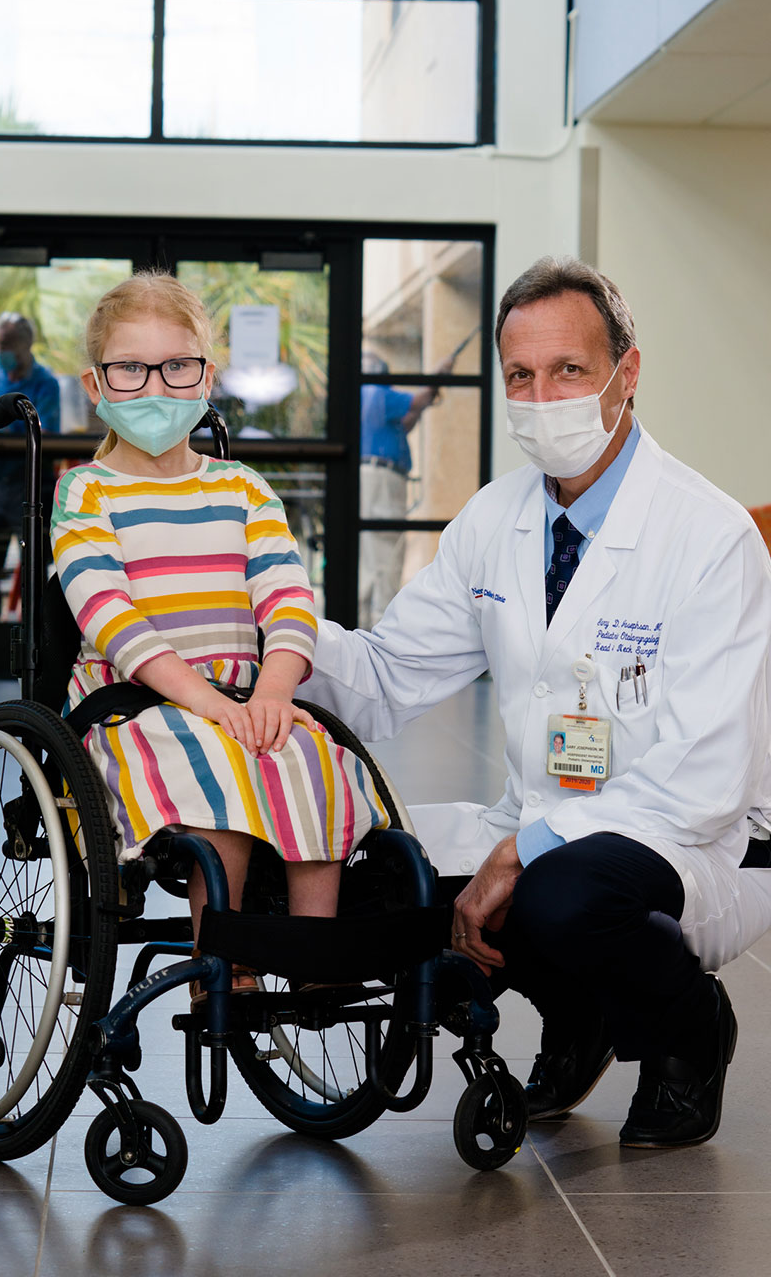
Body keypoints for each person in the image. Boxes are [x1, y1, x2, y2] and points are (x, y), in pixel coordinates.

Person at [307, 255, 771, 1148]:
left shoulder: (709, 537)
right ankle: (582, 1010)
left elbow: (705, 777)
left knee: (560, 896)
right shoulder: (496, 519)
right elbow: (389, 672)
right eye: (521, 375)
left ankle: (689, 1032)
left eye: (569, 370)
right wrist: (275, 635)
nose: (541, 394)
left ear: (626, 374)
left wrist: (524, 849)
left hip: (698, 838)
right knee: (374, 887)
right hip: (546, 818)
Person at [51, 273, 388, 1000]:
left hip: (243, 692)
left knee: (313, 756)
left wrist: (273, 688)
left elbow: (289, 597)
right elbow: (110, 615)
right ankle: (223, 963)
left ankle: (314, 956)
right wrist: (204, 701)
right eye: (130, 370)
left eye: (177, 367)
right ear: (96, 382)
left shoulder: (243, 489)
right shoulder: (86, 493)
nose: (156, 389)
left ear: (206, 375)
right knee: (221, 772)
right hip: (135, 701)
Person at [359, 348, 456, 628]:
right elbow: (419, 400)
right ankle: (380, 627)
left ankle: (363, 624)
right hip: (382, 479)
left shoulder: (365, 398)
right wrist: (440, 374)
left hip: (369, 478)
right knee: (386, 552)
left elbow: (406, 421)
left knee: (370, 556)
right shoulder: (377, 392)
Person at [0, 312, 60, 611]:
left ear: (27, 344)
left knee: (36, 566)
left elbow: (48, 432)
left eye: (8, 344)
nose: (2, 352)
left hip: (29, 482)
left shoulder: (45, 382)